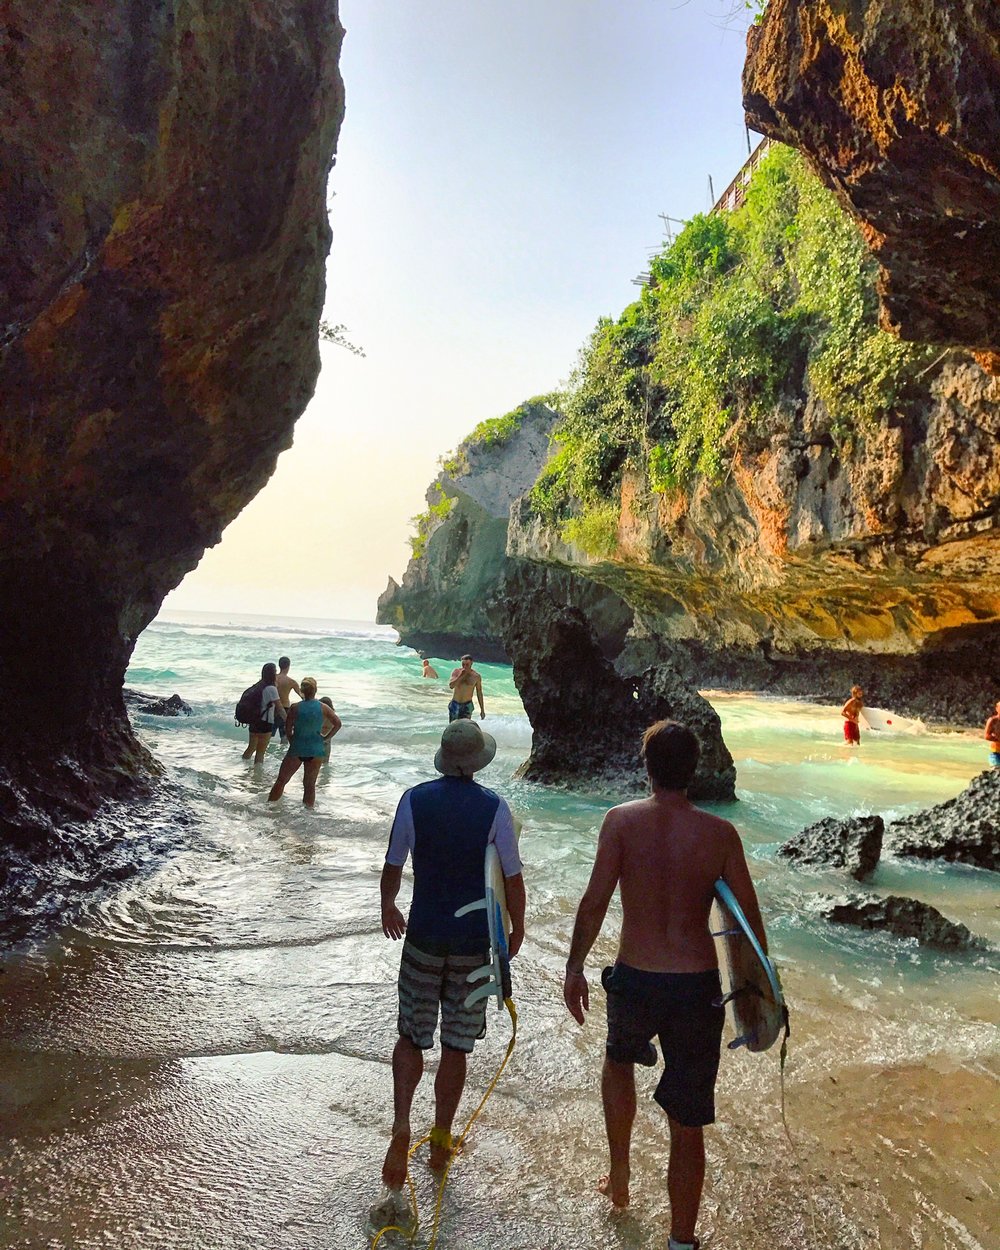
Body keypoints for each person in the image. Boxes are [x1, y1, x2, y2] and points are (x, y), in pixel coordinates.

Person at [562, 720, 768, 1250]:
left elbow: (595, 901)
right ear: (694, 771)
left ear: (647, 766)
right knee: (687, 1118)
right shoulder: (720, 835)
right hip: (697, 989)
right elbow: (747, 920)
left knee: (618, 1063)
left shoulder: (621, 822)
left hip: (635, 978)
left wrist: (575, 966)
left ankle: (621, 1175)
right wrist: (758, 995)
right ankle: (681, 1238)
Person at [377, 720, 525, 1203]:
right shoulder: (495, 809)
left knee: (411, 1035)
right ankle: (440, 1139)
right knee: (457, 1045)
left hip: (422, 936)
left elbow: (393, 864)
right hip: (471, 947)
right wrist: (515, 929)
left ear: (443, 755)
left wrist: (388, 907)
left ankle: (402, 1126)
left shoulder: (414, 799)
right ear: (478, 759)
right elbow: (511, 878)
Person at [267, 677, 341, 806]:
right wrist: (325, 738)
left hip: (298, 748)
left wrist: (292, 740)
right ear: (315, 690)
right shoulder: (323, 707)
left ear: (302, 691)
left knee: (282, 780)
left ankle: (269, 807)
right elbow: (338, 724)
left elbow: (288, 728)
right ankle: (308, 814)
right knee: (309, 785)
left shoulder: (295, 707)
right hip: (316, 749)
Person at [241, 662, 283, 763]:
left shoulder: (258, 685)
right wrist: (289, 721)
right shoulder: (271, 688)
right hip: (265, 723)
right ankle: (257, 776)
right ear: (272, 674)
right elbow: (280, 708)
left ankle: (243, 766)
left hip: (254, 720)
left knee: (251, 748)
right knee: (260, 752)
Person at [448, 654, 485, 722]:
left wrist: (482, 710)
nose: (465, 667)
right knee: (453, 727)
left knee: (464, 727)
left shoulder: (476, 676)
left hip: (467, 705)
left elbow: (479, 693)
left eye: (467, 664)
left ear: (471, 663)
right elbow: (451, 686)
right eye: (463, 664)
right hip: (455, 703)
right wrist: (461, 676)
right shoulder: (456, 672)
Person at [275, 656, 302, 746]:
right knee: (284, 737)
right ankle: (281, 756)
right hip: (285, 709)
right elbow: (302, 696)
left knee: (268, 735)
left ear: (279, 665)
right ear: (288, 666)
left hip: (272, 708)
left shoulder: (273, 678)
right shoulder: (291, 682)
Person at [319, 695, 339, 764]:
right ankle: (325, 775)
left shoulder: (323, 714)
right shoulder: (333, 715)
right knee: (325, 762)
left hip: (320, 739)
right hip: (327, 739)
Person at [985, 701, 1000, 768]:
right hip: (996, 753)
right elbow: (986, 736)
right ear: (997, 709)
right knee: (996, 773)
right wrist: (998, 739)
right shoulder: (993, 720)